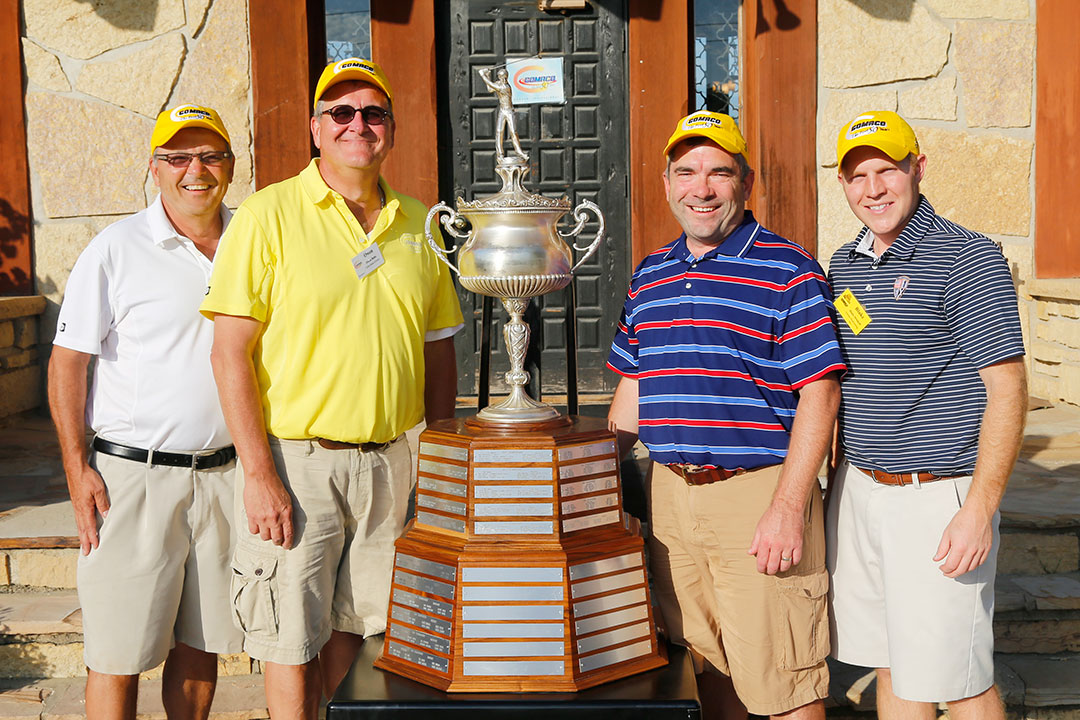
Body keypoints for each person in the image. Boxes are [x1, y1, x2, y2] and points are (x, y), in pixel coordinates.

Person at [200, 57, 464, 718]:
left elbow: (439, 352)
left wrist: (435, 457)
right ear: (316, 128)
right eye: (340, 112)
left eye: (373, 113)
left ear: (391, 129)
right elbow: (229, 354)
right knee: (289, 638)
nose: (357, 125)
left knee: (366, 630)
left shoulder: (418, 223)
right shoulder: (267, 215)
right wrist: (258, 474)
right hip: (297, 467)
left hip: (391, 465)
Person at [606, 110, 846, 719]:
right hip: (669, 497)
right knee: (705, 670)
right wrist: (590, 483)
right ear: (666, 184)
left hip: (757, 496)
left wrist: (788, 508)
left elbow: (820, 394)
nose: (702, 188)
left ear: (746, 182)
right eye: (687, 172)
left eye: (719, 172)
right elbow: (633, 386)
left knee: (784, 685)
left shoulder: (789, 269)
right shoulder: (650, 274)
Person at [826, 110, 1026, 720]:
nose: (873, 189)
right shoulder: (845, 264)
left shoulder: (967, 257)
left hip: (937, 496)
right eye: (858, 176)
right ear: (842, 184)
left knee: (960, 679)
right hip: (859, 491)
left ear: (918, 168)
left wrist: (979, 510)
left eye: (887, 170)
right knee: (892, 665)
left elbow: (1008, 391)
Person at [48, 104, 240, 719]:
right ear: (154, 169)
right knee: (117, 651)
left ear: (231, 165)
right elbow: (67, 363)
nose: (195, 170)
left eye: (209, 156)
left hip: (228, 477)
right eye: (177, 157)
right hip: (132, 480)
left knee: (203, 644)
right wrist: (76, 467)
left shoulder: (253, 240)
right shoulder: (115, 248)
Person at [479, 66, 527, 163]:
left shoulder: (506, 87)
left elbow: (492, 85)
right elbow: (490, 89)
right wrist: (488, 75)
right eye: (502, 78)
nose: (504, 80)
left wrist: (483, 75)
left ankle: (519, 152)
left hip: (509, 111)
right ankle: (499, 155)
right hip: (502, 111)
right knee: (499, 132)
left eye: (505, 77)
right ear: (499, 78)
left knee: (513, 132)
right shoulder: (498, 84)